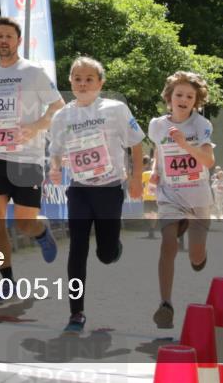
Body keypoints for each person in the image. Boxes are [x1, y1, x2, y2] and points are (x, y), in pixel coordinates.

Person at [0, 16, 64, 303]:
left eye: (9, 36)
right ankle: (7, 281)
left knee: (24, 223)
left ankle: (41, 230)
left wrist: (36, 127)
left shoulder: (33, 72)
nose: (4, 41)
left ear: (18, 41)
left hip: (28, 157)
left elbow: (58, 106)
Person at [48, 57, 144, 333]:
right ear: (70, 82)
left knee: (104, 253)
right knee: (77, 248)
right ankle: (76, 313)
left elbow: (136, 144)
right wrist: (55, 169)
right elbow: (55, 152)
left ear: (101, 83)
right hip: (79, 190)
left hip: (109, 189)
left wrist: (137, 177)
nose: (83, 83)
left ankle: (113, 249)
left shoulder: (116, 109)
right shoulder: (62, 116)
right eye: (77, 78)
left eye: (89, 78)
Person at [148, 70, 216, 329]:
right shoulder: (157, 125)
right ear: (169, 97)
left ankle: (199, 252)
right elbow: (159, 149)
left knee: (196, 257)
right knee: (168, 245)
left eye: (190, 96)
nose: (184, 99)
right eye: (179, 94)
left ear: (196, 101)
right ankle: (165, 304)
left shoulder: (201, 125)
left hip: (197, 196)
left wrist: (185, 144)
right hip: (170, 195)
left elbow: (209, 161)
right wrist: (155, 170)